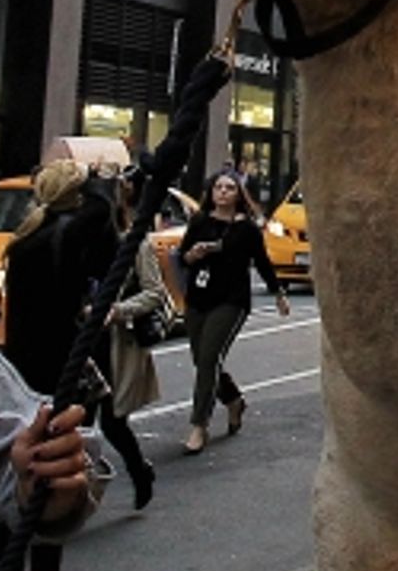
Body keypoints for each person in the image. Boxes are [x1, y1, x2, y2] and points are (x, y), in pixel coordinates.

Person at [0, 158, 119, 571]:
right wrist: (103, 182)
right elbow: (102, 220)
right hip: (43, 373)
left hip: (41, 367)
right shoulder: (55, 236)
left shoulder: (38, 234)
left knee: (56, 484)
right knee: (29, 486)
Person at [0, 338, 102, 571]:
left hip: (54, 369)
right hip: (29, 357)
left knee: (46, 459)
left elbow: (1, 472)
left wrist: (42, 499)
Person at [180, 170, 290, 455]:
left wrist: (278, 293)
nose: (223, 192)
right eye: (218, 187)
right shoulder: (200, 221)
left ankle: (199, 425)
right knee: (202, 360)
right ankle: (233, 400)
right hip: (198, 298)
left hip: (231, 301)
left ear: (239, 194)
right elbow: (182, 256)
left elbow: (262, 262)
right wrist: (192, 255)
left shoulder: (246, 229)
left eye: (229, 188)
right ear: (211, 192)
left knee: (208, 359)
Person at [93, 165, 172, 509]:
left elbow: (155, 292)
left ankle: (139, 472)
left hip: (116, 341)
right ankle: (76, 495)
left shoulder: (135, 242)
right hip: (85, 339)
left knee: (112, 420)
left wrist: (118, 310)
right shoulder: (83, 243)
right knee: (79, 419)